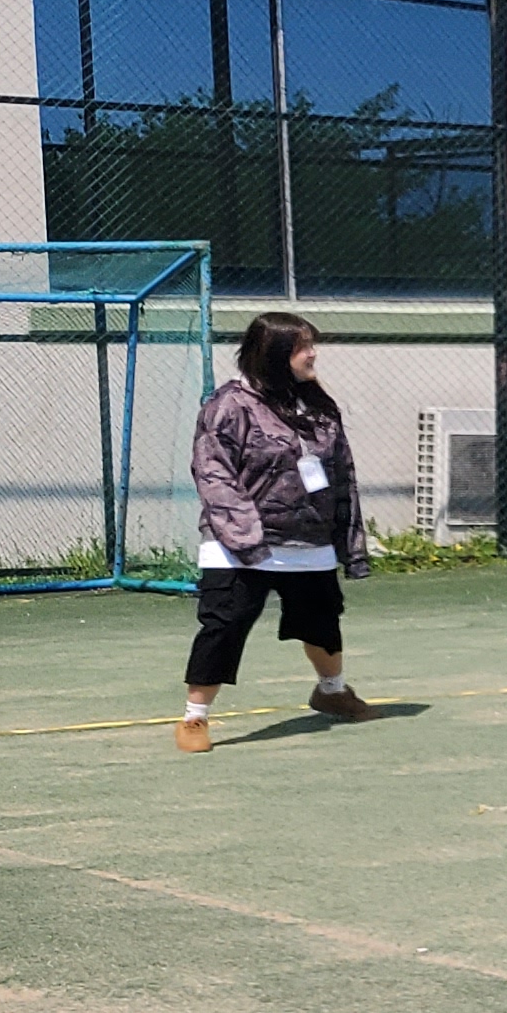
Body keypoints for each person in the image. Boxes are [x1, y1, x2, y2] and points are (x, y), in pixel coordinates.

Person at [177, 312, 377, 753]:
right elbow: (213, 473)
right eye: (303, 346)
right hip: (239, 545)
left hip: (310, 544)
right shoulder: (229, 404)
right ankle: (195, 718)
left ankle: (331, 691)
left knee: (323, 623)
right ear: (274, 354)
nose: (313, 354)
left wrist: (347, 540)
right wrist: (245, 537)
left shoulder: (317, 405)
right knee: (224, 625)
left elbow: (342, 473)